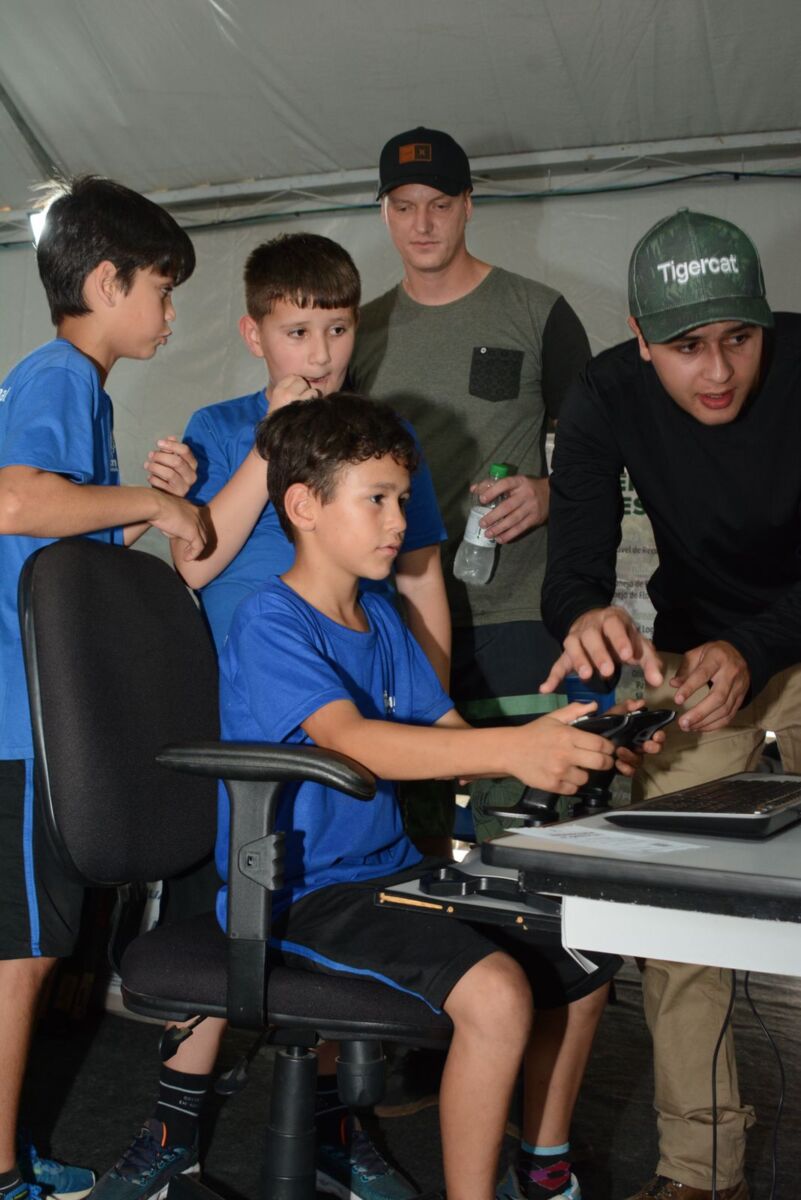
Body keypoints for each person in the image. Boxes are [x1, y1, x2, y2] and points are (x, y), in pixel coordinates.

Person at [217, 390, 664, 1200]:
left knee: (586, 950)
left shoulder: (382, 617)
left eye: (402, 498)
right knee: (496, 994)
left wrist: (574, 739)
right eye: (377, 499)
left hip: (391, 873)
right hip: (302, 892)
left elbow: (450, 737)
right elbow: (351, 741)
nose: (400, 520)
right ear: (304, 506)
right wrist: (513, 749)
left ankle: (542, 1169)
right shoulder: (269, 620)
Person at [93, 233, 450, 1200]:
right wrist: (265, 443)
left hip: (347, 726)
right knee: (222, 927)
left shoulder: (379, 436)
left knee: (346, 925)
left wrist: (431, 718)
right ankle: (169, 1133)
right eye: (298, 332)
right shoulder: (218, 427)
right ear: (256, 336)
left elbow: (421, 577)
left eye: (336, 330)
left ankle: (333, 1130)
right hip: (241, 726)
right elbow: (195, 562)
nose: (319, 353)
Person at [539, 208, 795, 1200]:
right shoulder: (604, 393)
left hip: (780, 637)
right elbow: (574, 563)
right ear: (640, 341)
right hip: (694, 660)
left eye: (738, 338)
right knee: (678, 908)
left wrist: (757, 648)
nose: (718, 370)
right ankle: (701, 1168)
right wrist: (586, 615)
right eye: (687, 347)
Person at [0, 176, 206, 1200]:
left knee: (31, 952)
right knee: (22, 958)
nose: (170, 315)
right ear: (107, 283)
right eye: (162, 291)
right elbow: (16, 502)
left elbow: (68, 550)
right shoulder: (60, 376)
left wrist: (143, 502)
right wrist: (156, 512)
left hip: (32, 711)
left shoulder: (77, 389)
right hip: (20, 716)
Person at [350, 126, 592, 848]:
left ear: (468, 205)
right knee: (406, 841)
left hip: (516, 613)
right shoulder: (355, 333)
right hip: (398, 620)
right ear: (384, 212)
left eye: (439, 205)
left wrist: (548, 493)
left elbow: (601, 456)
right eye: (403, 206)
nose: (421, 224)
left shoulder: (537, 311)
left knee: (530, 836)